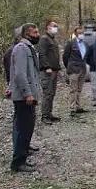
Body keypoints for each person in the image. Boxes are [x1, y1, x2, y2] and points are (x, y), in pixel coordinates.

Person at [8, 23, 41, 173]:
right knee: (23, 128)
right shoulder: (21, 49)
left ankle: (23, 156)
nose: (37, 34)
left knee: (27, 127)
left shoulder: (27, 48)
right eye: (35, 32)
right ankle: (18, 162)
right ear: (27, 33)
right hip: (23, 97)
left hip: (27, 95)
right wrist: (27, 93)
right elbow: (20, 74)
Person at [37, 19, 62, 124]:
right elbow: (42, 54)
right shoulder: (44, 39)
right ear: (48, 27)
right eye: (53, 26)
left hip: (54, 70)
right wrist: (46, 66)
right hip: (47, 71)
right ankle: (44, 116)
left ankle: (49, 113)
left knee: (52, 93)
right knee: (47, 93)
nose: (55, 28)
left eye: (56, 26)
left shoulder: (53, 40)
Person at [62, 27, 89, 116]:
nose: (81, 34)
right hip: (73, 69)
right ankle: (72, 108)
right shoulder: (71, 43)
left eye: (82, 33)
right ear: (76, 34)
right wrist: (68, 67)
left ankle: (78, 106)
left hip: (82, 69)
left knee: (79, 89)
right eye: (79, 33)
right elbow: (65, 56)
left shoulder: (85, 43)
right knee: (73, 89)